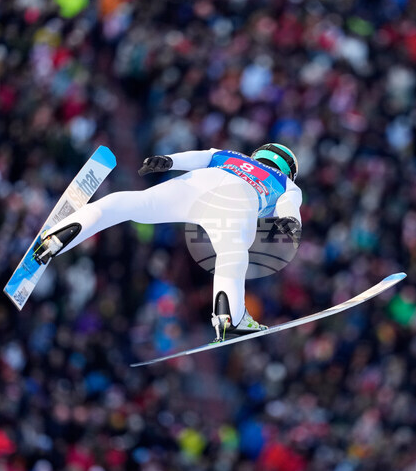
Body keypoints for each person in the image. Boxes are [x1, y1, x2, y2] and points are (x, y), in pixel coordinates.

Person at [34, 144, 303, 340]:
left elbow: (201, 157)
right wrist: (291, 221)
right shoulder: (285, 182)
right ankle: (228, 316)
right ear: (288, 169)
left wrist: (168, 161)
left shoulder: (233, 155)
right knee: (232, 256)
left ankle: (57, 236)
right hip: (236, 203)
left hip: (195, 185)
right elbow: (289, 203)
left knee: (128, 203)